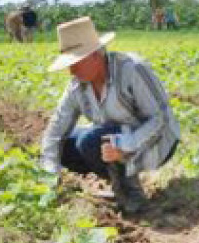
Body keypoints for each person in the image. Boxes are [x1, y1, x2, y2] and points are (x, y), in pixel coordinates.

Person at [40, 16, 179, 215]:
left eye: (76, 62)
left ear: (96, 55)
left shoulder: (132, 69)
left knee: (90, 141)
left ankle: (131, 193)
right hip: (113, 139)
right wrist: (50, 173)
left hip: (158, 141)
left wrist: (127, 143)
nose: (71, 70)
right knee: (66, 145)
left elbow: (159, 119)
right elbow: (56, 129)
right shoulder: (78, 85)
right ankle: (117, 176)